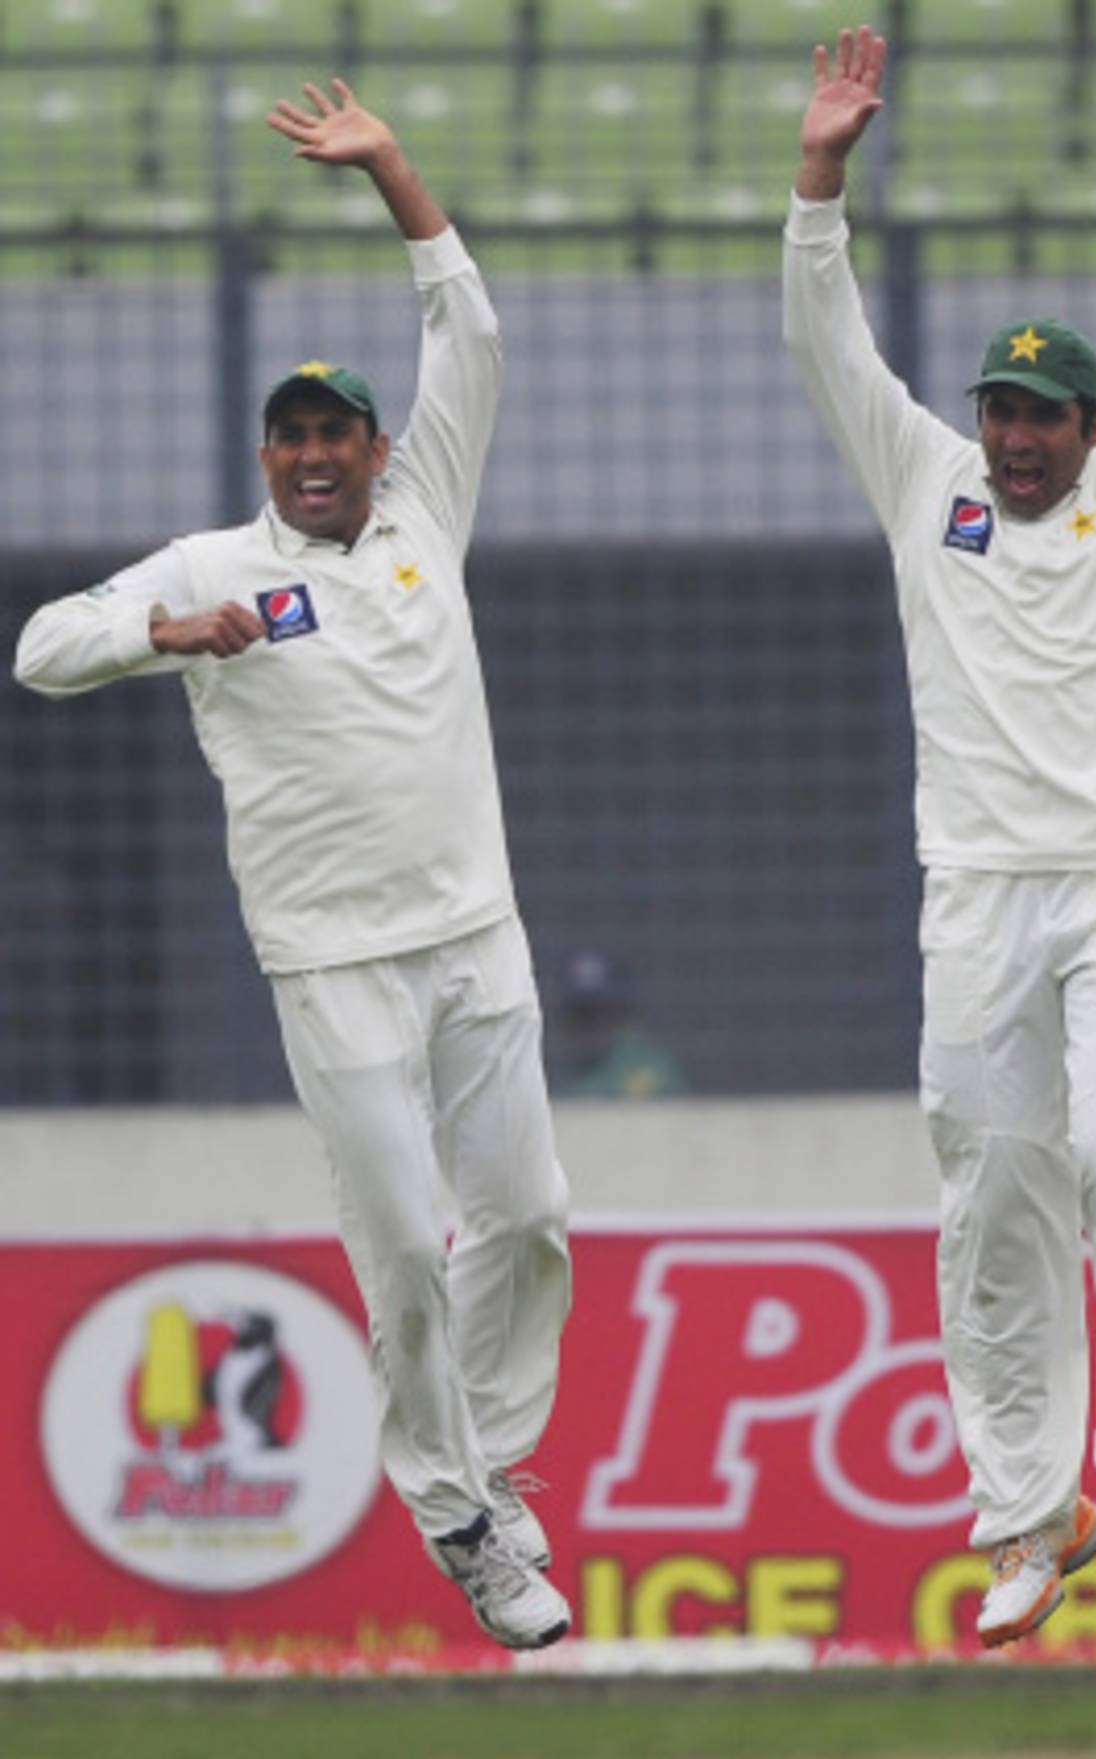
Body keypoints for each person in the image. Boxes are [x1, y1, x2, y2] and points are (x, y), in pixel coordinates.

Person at [14, 78, 573, 1652]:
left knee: (527, 1215)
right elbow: (39, 648)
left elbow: (473, 336)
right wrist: (159, 635)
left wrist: (393, 166)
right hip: (331, 962)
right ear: (266, 456)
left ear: (375, 446)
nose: (318, 456)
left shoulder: (422, 515)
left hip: (476, 931)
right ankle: (455, 1509)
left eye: (339, 432)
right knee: (403, 1241)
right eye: (295, 437)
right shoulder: (213, 566)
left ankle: (500, 1466)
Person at [784, 11, 1096, 1648]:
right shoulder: (928, 485)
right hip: (974, 888)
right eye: (1003, 407)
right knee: (990, 1198)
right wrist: (819, 184)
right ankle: (1025, 1510)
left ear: (1094, 426)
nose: (1019, 431)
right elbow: (830, 344)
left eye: (1047, 412)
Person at [551, 948, 689, 1099]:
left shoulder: (649, 1067)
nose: (593, 1024)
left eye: (602, 1013)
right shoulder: (558, 1073)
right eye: (581, 1015)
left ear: (623, 1014)